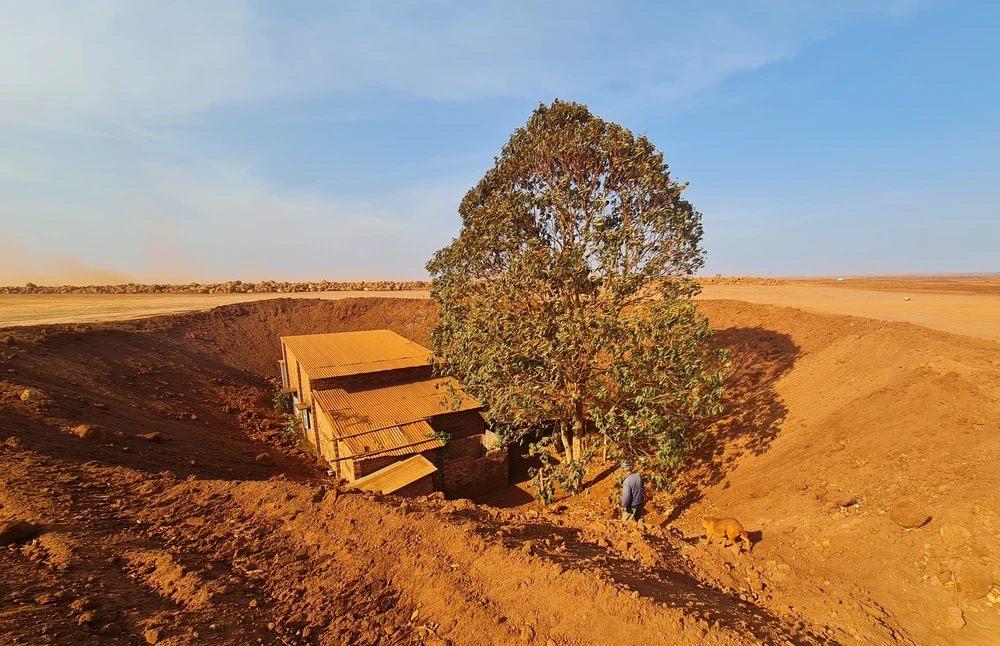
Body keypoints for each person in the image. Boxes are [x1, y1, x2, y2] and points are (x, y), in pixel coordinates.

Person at [620, 459, 645, 523]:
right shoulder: (638, 476)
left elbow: (626, 495)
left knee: (625, 523)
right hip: (640, 502)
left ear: (624, 471)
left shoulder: (627, 481)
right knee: (640, 521)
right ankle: (643, 532)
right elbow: (642, 487)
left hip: (631, 505)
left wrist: (624, 505)